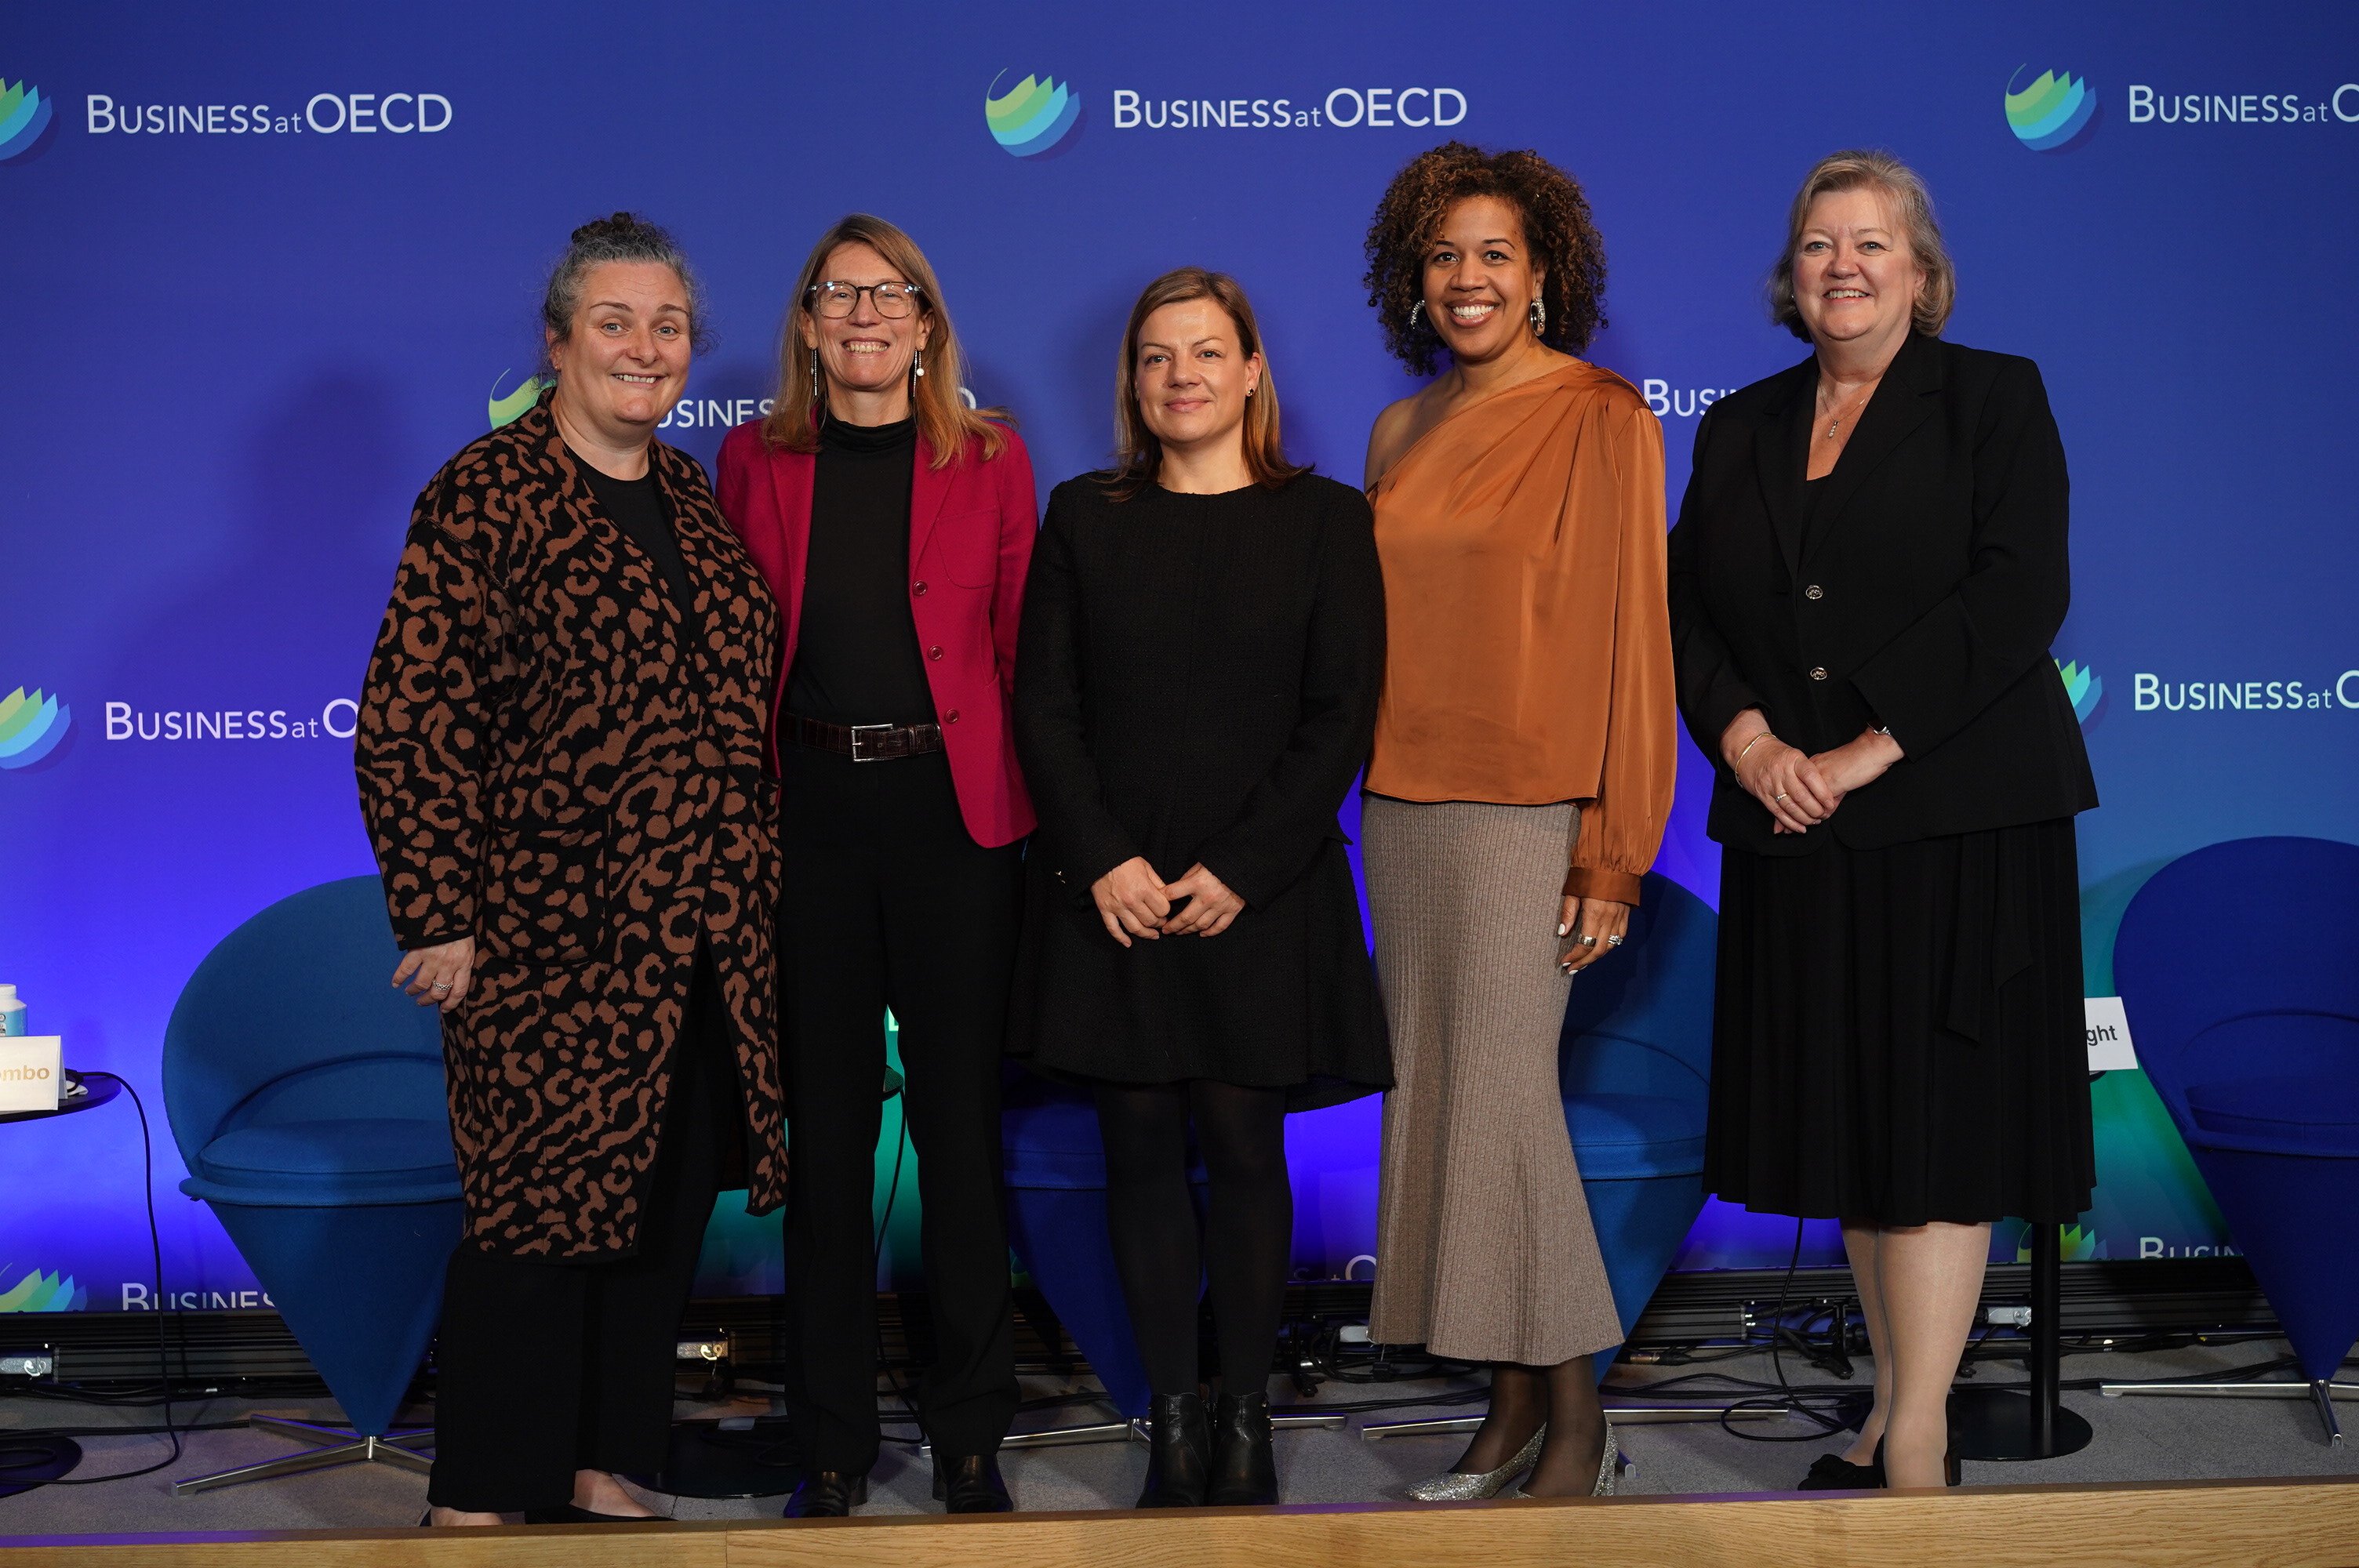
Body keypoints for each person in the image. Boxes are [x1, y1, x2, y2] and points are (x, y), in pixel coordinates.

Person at [1668, 149, 2098, 1492]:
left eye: (1870, 243)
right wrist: (1744, 740)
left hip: (1953, 817)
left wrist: (1860, 751)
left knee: (1937, 1131)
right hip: (1793, 825)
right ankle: (1892, 1403)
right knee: (1860, 1131)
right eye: (1817, 244)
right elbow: (1688, 613)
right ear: (1788, 276)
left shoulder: (1994, 400)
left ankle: (1917, 1437)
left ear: (1923, 272)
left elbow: (2018, 597)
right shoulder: (1736, 425)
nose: (1841, 266)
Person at [356, 213, 786, 1528]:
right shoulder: (482, 493)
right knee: (534, 1211)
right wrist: (437, 911)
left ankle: (609, 1459)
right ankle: (483, 1489)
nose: (643, 348)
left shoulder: (694, 497)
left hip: (698, 926)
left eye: (665, 327)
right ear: (557, 343)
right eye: (615, 322)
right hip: (545, 930)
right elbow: (411, 717)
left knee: (652, 1206)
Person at [1008, 267, 1388, 1508]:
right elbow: (1044, 711)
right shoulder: (1086, 516)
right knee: (1137, 1147)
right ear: (1133, 380)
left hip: (1260, 892)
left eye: (1207, 351)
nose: (1182, 375)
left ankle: (1244, 1413)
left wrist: (1241, 867)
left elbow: (1341, 716)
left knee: (1240, 1140)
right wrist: (1104, 859)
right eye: (1158, 355)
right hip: (1114, 891)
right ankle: (1172, 1418)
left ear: (1252, 370)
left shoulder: (1325, 521)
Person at [1359, 143, 1677, 1501]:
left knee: (1502, 1102)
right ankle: (1504, 1413)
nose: (1468, 279)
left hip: (1528, 811)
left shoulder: (1600, 415)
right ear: (1413, 281)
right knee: (1443, 1104)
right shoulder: (1398, 431)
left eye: (1494, 254)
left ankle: (1581, 1424)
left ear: (1543, 272)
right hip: (1399, 808)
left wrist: (1614, 850)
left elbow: (1633, 646)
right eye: (1444, 256)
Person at [714, 214, 1038, 1518]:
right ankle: (832, 1445)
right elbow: (735, 656)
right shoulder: (753, 458)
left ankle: (971, 1437)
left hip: (957, 827)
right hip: (810, 825)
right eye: (837, 295)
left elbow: (1017, 648)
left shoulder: (995, 457)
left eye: (888, 294)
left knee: (962, 1139)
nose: (863, 315)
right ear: (804, 323)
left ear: (925, 321)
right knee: (827, 1143)